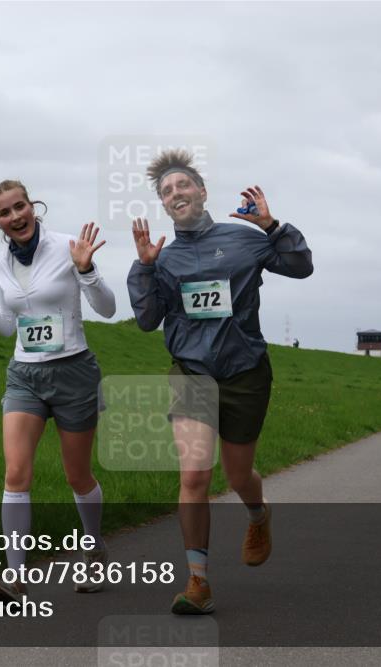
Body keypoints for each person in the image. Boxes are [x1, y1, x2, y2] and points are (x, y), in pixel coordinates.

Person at [127, 150, 313, 614]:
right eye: (166, 191)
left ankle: (258, 513)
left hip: (245, 372)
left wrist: (272, 226)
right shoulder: (162, 259)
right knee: (194, 475)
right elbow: (147, 321)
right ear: (163, 205)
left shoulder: (244, 239)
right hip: (191, 372)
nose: (175, 193)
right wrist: (145, 267)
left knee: (237, 475)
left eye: (182, 185)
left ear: (202, 191)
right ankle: (198, 582)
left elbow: (301, 266)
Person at [0, 179, 116, 601]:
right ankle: (15, 576)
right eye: (4, 213)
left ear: (33, 206)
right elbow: (10, 326)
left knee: (77, 476)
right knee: (16, 473)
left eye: (19, 206)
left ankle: (95, 549)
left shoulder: (68, 246)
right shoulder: (1, 262)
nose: (15, 216)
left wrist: (87, 271)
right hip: (25, 374)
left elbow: (108, 308)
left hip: (74, 372)